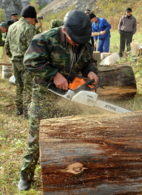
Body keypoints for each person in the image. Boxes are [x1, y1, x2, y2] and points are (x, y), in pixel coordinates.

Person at [17, 10, 98, 191]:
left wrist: (91, 71)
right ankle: (26, 176)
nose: (76, 43)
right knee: (36, 137)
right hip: (45, 95)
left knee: (70, 134)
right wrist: (53, 75)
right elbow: (30, 61)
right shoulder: (45, 39)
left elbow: (88, 61)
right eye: (73, 38)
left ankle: (68, 171)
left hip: (72, 96)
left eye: (80, 40)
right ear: (65, 30)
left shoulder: (84, 40)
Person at [5, 5, 37, 118]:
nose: (34, 22)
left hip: (15, 61)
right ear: (31, 17)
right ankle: (26, 113)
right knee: (28, 87)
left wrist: (13, 57)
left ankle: (18, 110)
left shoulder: (12, 27)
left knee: (19, 86)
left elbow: (6, 47)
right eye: (34, 19)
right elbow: (34, 49)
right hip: (26, 62)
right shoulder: (30, 28)